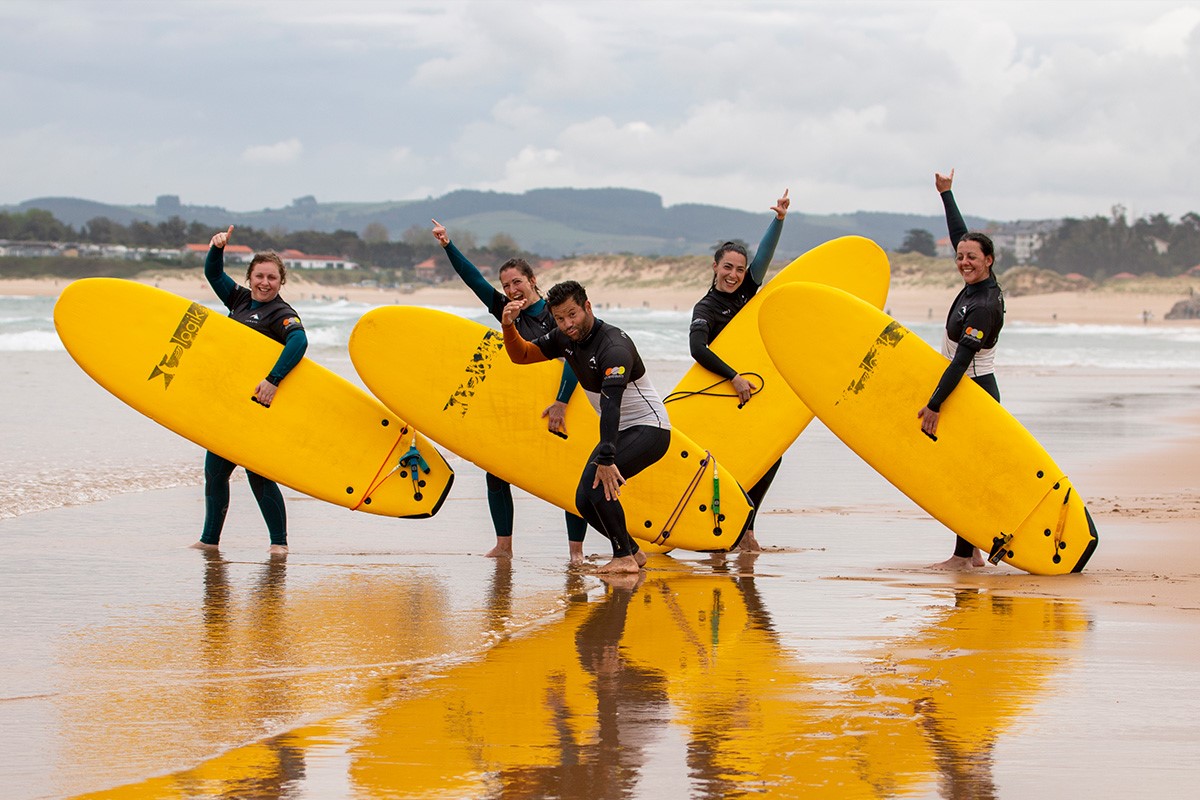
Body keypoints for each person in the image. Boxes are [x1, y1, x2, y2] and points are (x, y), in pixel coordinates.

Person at [431, 220, 589, 563]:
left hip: (565, 401)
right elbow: (473, 279)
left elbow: (574, 359)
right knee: (496, 470)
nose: (513, 289)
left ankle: (575, 553)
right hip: (519, 405)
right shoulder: (506, 313)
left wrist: (561, 401)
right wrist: (448, 245)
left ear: (532, 281)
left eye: (517, 281)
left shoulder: (555, 313)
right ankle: (504, 546)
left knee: (570, 474)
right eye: (506, 285)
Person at [500, 280, 671, 574]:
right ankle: (631, 552)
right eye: (560, 318)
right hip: (621, 430)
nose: (567, 324)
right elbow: (522, 355)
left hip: (650, 428)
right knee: (583, 499)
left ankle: (624, 559)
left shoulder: (614, 346)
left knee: (596, 486)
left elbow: (612, 405)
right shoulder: (565, 338)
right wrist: (508, 326)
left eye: (572, 315)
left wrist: (607, 458)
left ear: (587, 307)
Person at [191, 226, 307, 556]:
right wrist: (216, 248)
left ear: (281, 281)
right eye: (259, 276)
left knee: (258, 474)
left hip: (258, 407)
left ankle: (279, 544)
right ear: (250, 276)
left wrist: (273, 380)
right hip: (230, 405)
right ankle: (209, 540)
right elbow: (213, 274)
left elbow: (299, 342)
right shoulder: (240, 299)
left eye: (272, 277)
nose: (265, 283)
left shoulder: (282, 314)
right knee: (215, 473)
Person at [688, 190, 790, 552]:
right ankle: (719, 530)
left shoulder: (747, 290)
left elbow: (763, 257)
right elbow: (697, 349)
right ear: (714, 267)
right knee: (725, 466)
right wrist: (732, 376)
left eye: (739, 269)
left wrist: (778, 220)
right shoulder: (707, 307)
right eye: (728, 267)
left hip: (751, 392)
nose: (734, 274)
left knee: (769, 457)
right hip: (721, 392)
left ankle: (746, 529)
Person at [917, 170, 1005, 569]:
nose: (964, 261)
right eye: (960, 257)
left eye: (972, 257)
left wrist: (935, 404)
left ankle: (965, 555)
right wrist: (946, 195)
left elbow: (961, 363)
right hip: (968, 389)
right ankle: (971, 554)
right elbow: (961, 236)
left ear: (989, 261)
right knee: (966, 472)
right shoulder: (977, 284)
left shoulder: (984, 305)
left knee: (965, 475)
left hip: (973, 390)